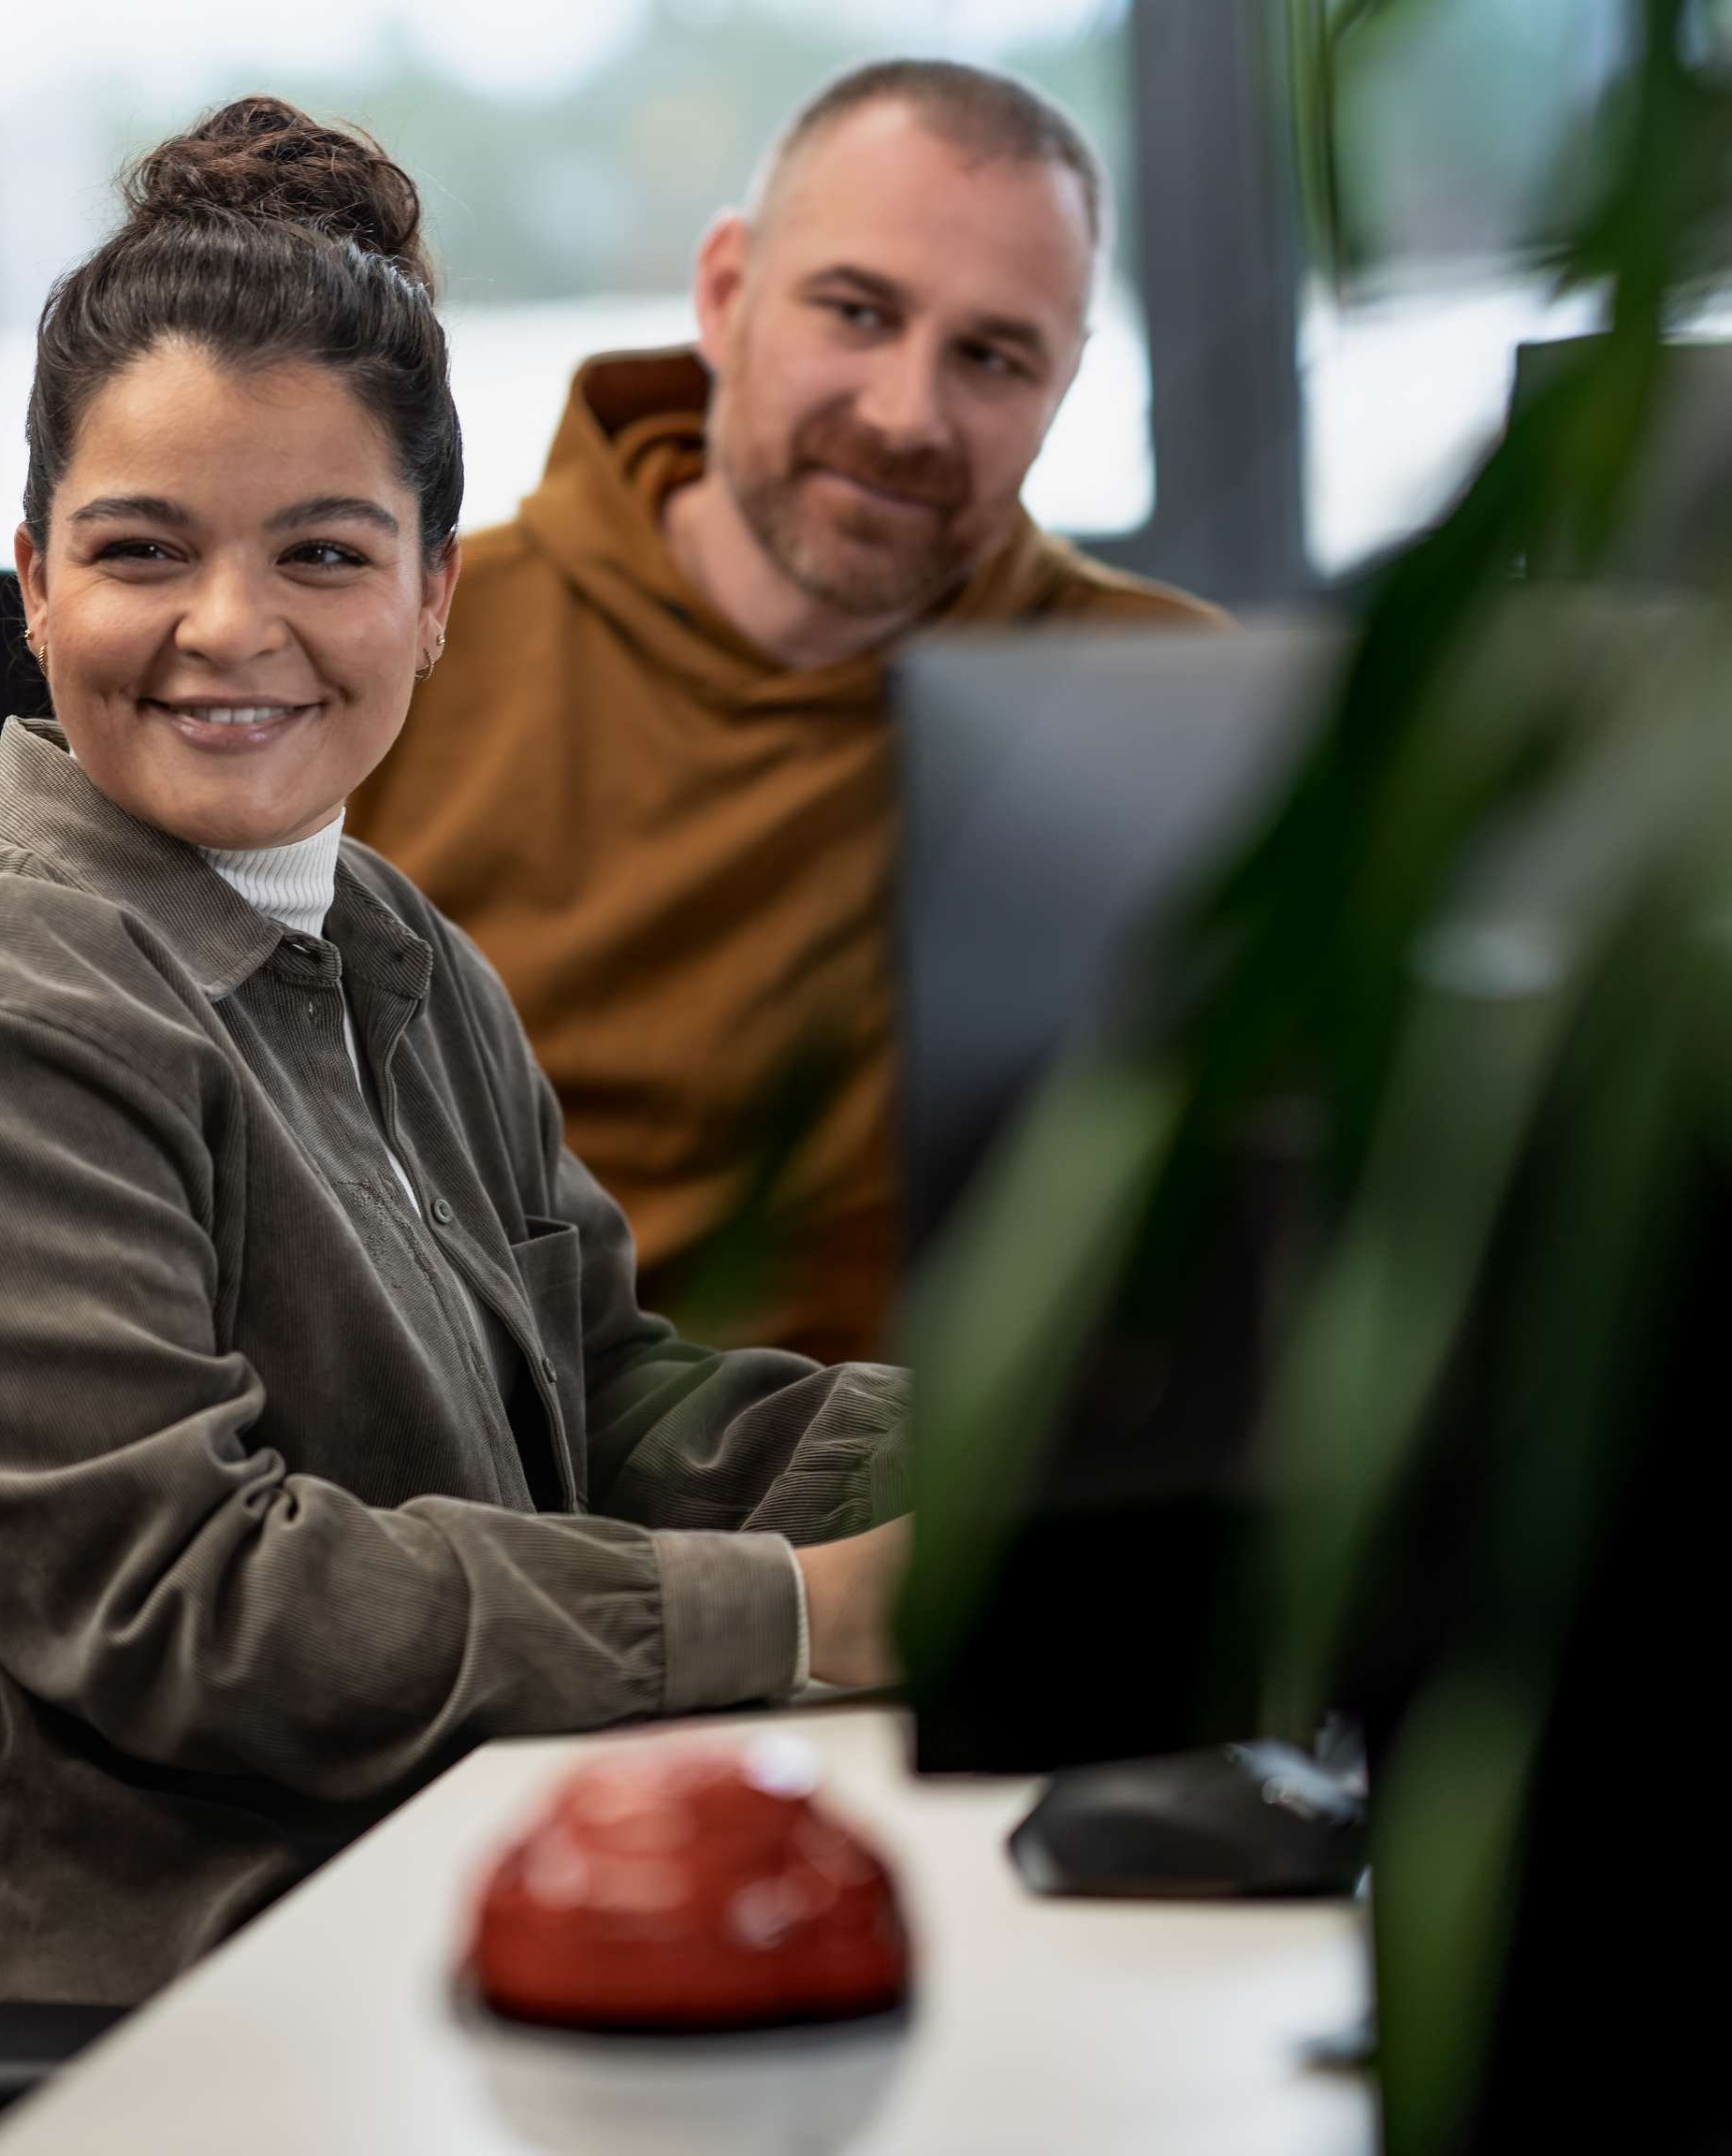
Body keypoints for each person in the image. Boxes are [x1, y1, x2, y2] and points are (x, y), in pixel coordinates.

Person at [0, 98, 915, 2011]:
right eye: (141, 549)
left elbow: (605, 1400)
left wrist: (1043, 1455)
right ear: (37, 582)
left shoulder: (377, 943)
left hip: (383, 1871)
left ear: (434, 594)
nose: (226, 630)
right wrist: (803, 1613)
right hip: (125, 2007)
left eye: (323, 554)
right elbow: (191, 1606)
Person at [349, 60, 1222, 1368]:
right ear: (724, 292)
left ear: (1066, 383)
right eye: (859, 313)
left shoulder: (1177, 705)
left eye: (993, 356)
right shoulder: (402, 651)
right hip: (513, 1479)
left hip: (970, 1502)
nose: (908, 415)